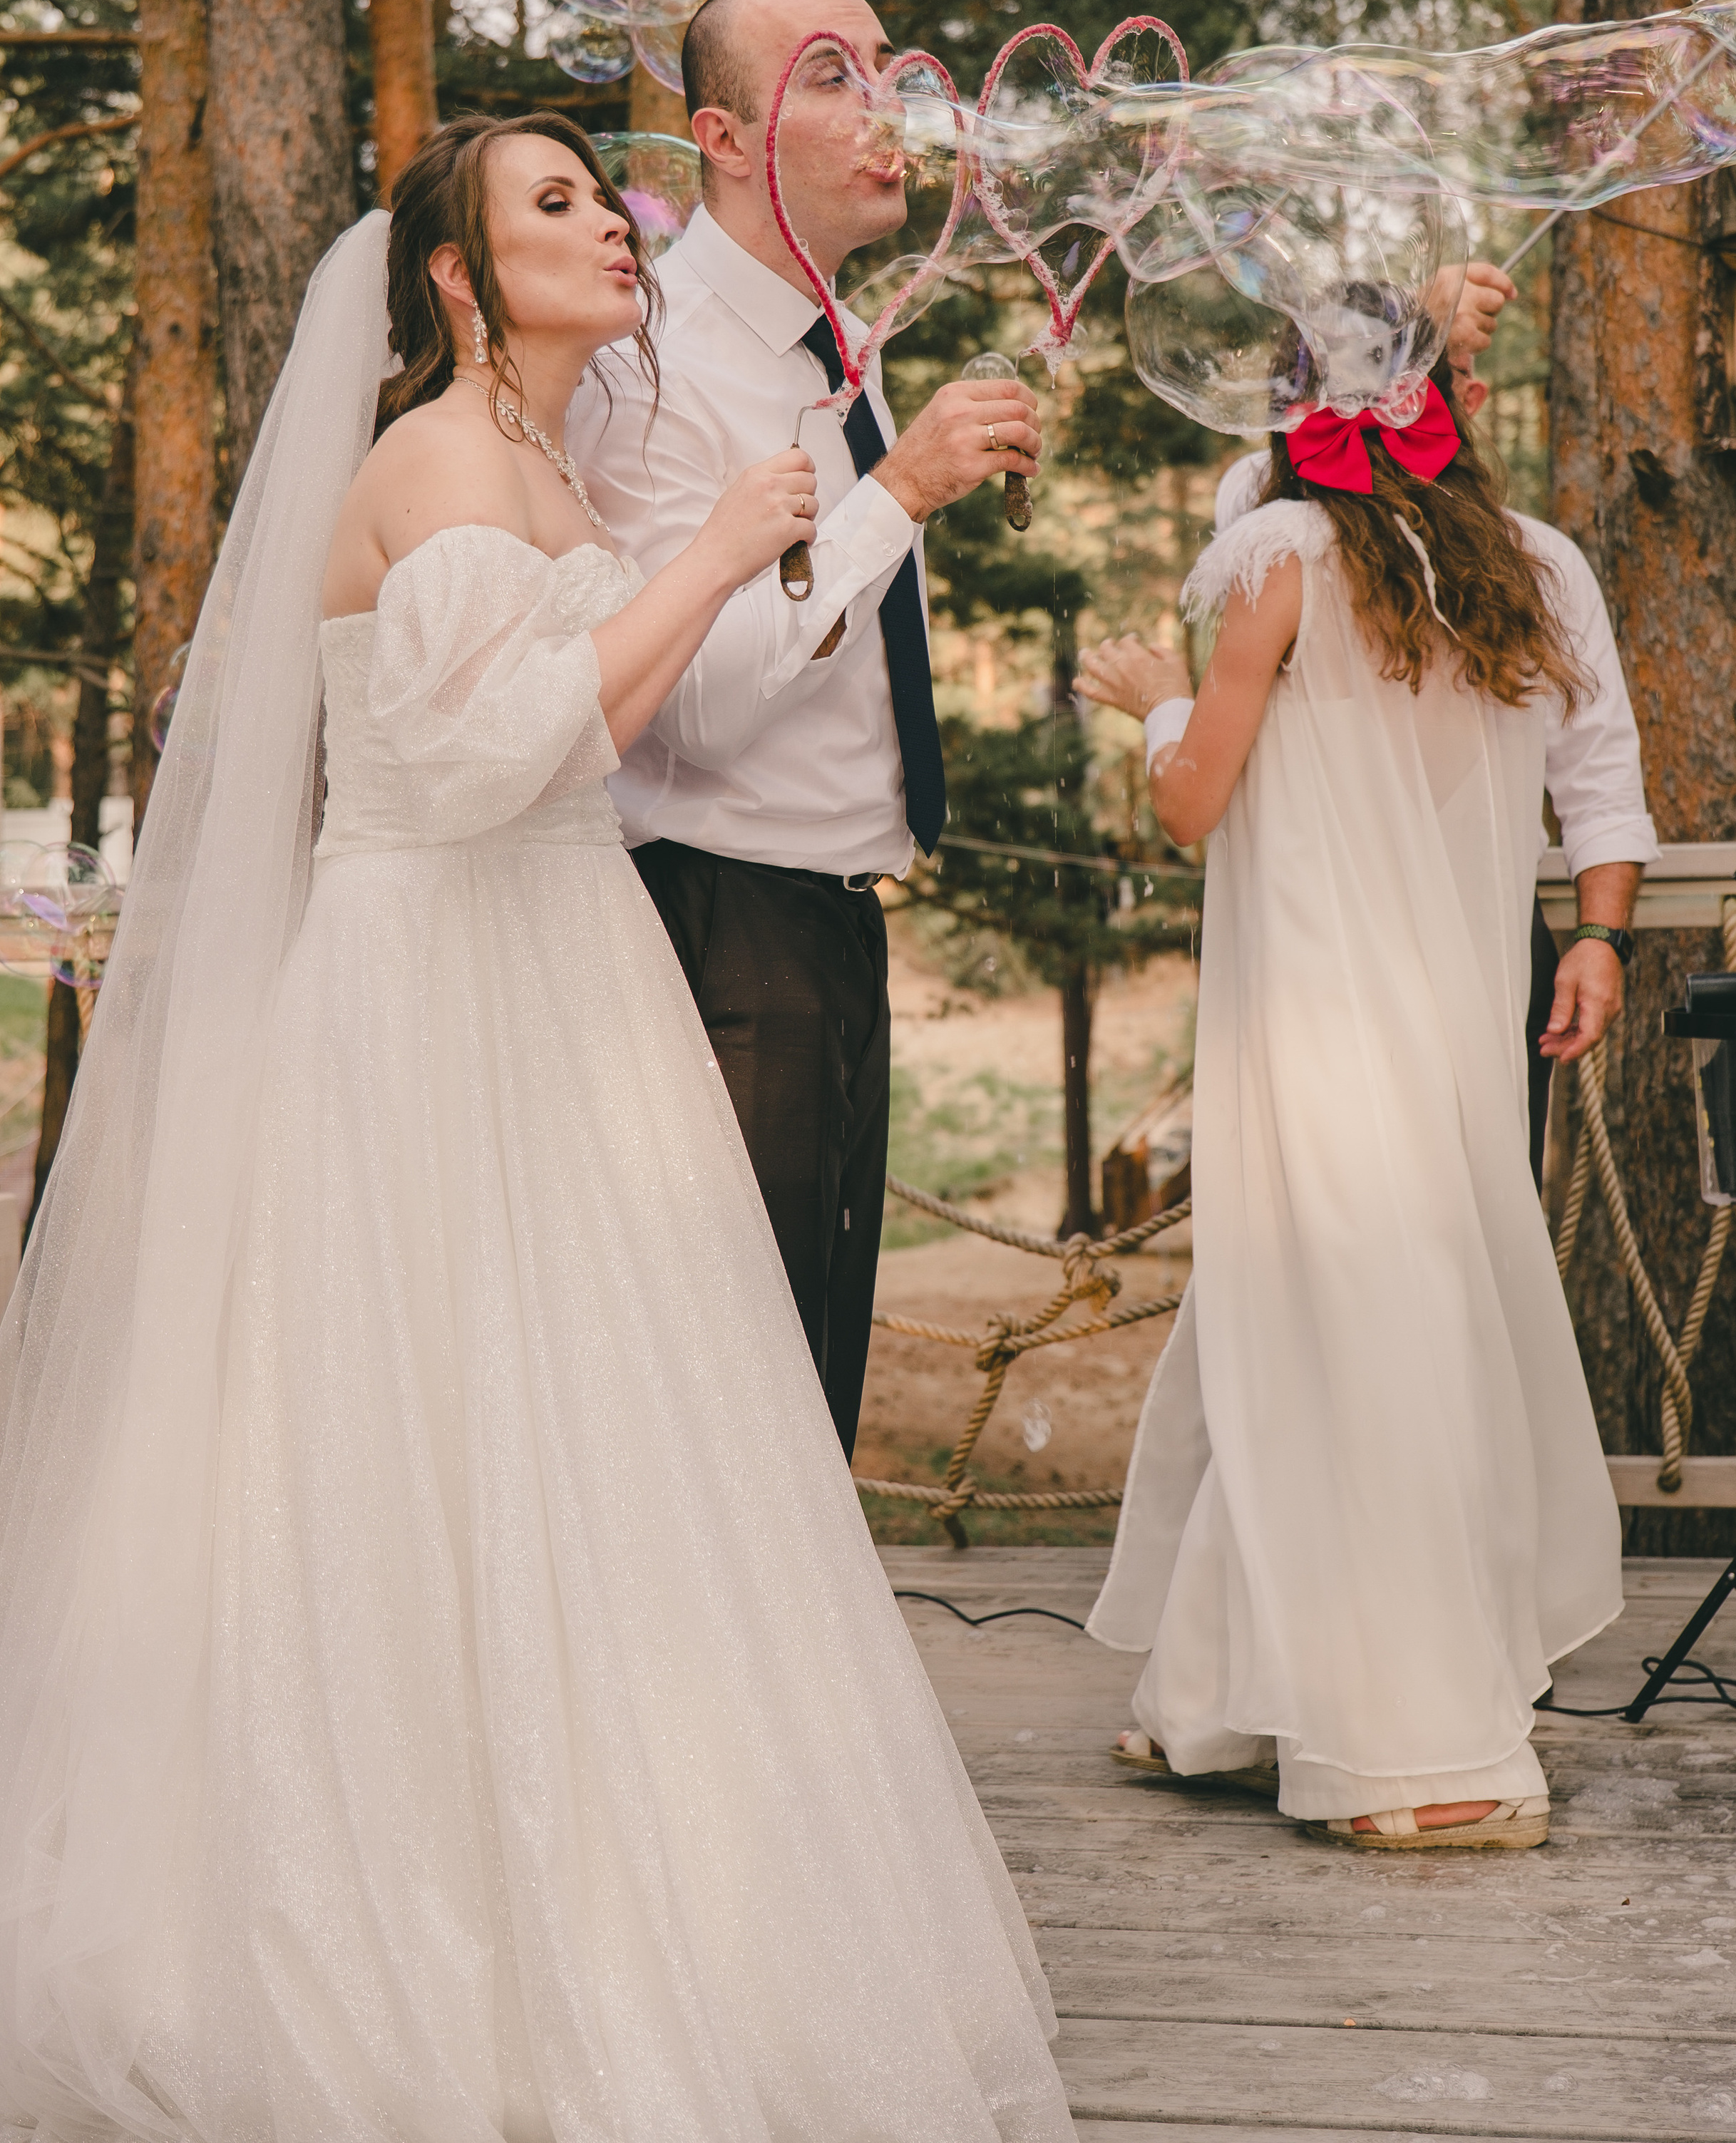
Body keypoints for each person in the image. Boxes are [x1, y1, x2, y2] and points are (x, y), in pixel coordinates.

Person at [0, 115, 1074, 2141]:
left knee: (609, 1445)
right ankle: (426, 1948)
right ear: (456, 276)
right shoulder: (429, 462)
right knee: (429, 1447)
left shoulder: (551, 467)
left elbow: (647, 715)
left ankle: (630, 1907)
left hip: (566, 982)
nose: (610, 229)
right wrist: (711, 552)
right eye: (555, 206)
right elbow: (499, 756)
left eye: (605, 199)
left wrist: (800, 532)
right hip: (430, 1003)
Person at [1076, 353, 1623, 1851]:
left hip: (1310, 1021)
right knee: (1309, 1328)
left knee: (1354, 1339)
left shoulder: (1279, 558)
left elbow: (1192, 801)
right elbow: (1595, 772)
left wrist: (1154, 701)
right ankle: (1216, 1697)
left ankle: (1422, 1750)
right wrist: (1597, 927)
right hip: (1449, 1023)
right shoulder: (1522, 569)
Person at [569, 0, 1042, 1459]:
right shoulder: (647, 361)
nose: (889, 108)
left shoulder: (837, 338)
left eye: (889, 69)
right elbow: (694, 710)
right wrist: (899, 493)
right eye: (833, 76)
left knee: (812, 1389)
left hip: (831, 921)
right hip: (719, 930)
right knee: (731, 1418)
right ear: (722, 138)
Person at [1211, 259, 1657, 1178]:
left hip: (1494, 949)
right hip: (1322, 952)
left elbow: (1602, 784)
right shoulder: (1286, 544)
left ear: (1467, 402)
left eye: (1422, 383)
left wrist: (1600, 939)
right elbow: (1261, 476)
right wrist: (1412, 313)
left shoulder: (1545, 567)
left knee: (1487, 1207)